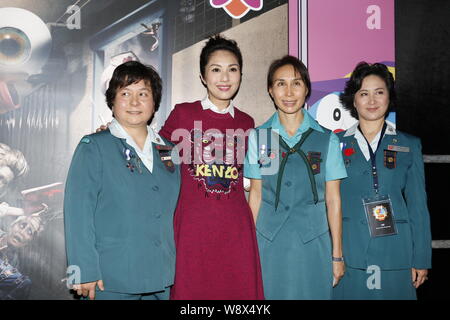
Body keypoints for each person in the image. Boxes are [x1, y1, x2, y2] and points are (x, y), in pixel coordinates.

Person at [64, 61, 180, 300]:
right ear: (112, 100)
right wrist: (82, 270)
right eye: (125, 93)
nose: (134, 102)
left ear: (155, 101)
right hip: (109, 279)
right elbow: (78, 212)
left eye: (143, 94)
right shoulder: (94, 146)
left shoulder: (168, 150)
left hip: (161, 277)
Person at [159, 34, 264, 299]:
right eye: (216, 69)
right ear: (203, 76)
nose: (225, 78)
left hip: (236, 232)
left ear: (241, 74)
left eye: (232, 69)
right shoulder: (182, 114)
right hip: (192, 233)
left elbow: (254, 181)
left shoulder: (247, 122)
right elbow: (155, 157)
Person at [245, 55, 347, 299]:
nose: (289, 92)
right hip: (268, 243)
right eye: (281, 84)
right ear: (270, 90)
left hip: (314, 243)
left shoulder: (326, 139)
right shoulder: (260, 137)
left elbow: (334, 200)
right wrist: (247, 251)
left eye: (296, 83)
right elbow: (256, 196)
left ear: (307, 89)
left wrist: (337, 255)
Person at [332, 62, 431, 300]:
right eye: (364, 94)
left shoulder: (409, 144)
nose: (372, 100)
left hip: (397, 253)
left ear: (389, 97)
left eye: (379, 92)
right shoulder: (334, 145)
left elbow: (418, 205)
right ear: (353, 101)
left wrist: (421, 258)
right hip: (349, 253)